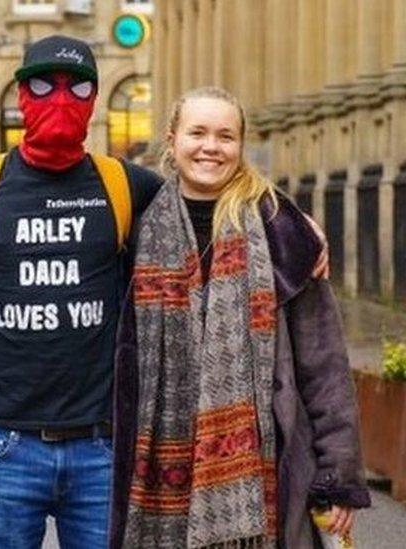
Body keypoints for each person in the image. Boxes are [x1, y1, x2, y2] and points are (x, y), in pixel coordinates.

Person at [0, 35, 164, 548]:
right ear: (20, 96)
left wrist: (296, 223)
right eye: (43, 85)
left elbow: (214, 207)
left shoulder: (125, 184)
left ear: (95, 100)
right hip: (4, 447)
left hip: (101, 445)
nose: (60, 99)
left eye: (77, 87)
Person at [111, 87, 370, 548]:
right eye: (198, 133)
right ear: (172, 141)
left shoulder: (280, 229)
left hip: (266, 478)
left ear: (240, 145)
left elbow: (324, 366)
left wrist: (338, 476)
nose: (211, 146)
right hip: (162, 482)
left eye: (226, 136)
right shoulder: (139, 229)